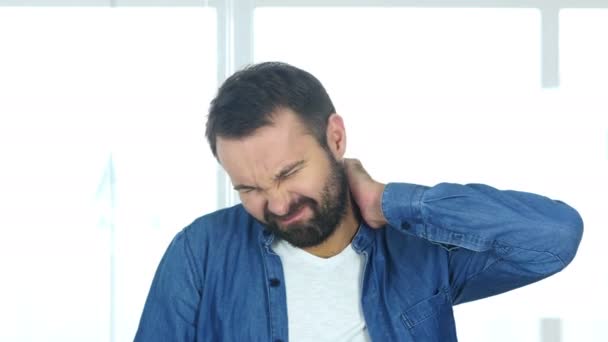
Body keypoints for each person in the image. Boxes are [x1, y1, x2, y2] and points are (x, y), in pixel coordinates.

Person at [134, 62, 583, 342]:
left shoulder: (416, 250)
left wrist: (391, 201)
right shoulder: (201, 251)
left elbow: (553, 238)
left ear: (335, 137)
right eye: (249, 189)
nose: (276, 203)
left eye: (288, 173)